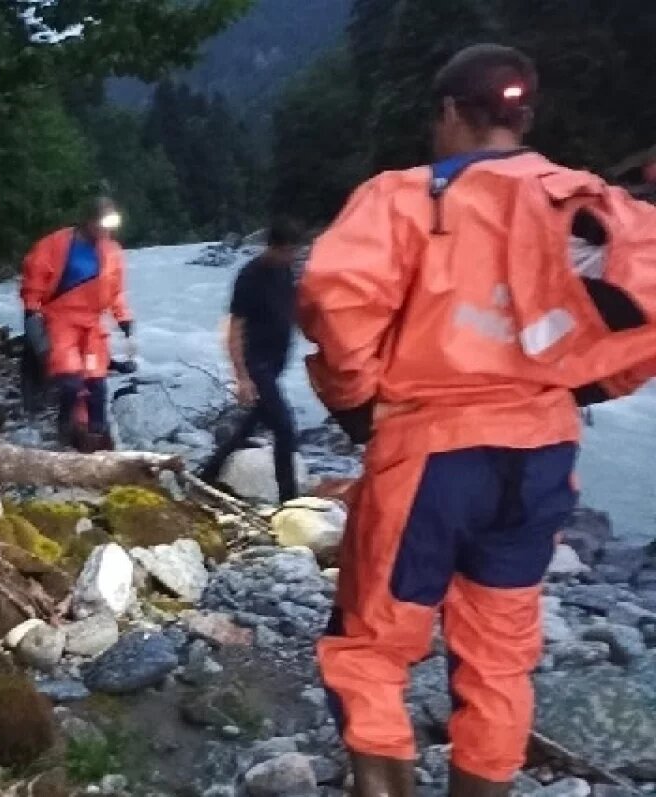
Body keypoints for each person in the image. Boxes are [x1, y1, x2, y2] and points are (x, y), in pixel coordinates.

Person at [298, 45, 656, 797]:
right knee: (499, 651)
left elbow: (336, 300)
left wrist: (359, 402)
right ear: (523, 117)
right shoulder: (587, 204)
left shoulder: (406, 196)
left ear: (451, 113)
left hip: (430, 449)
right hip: (543, 449)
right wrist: (581, 385)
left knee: (369, 645)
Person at [198, 218, 303, 503]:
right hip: (256, 363)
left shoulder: (286, 271)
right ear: (272, 247)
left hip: (277, 362)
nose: (291, 257)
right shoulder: (249, 277)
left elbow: (293, 309)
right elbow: (234, 328)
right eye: (287, 251)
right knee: (284, 427)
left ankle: (204, 477)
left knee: (248, 427)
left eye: (294, 251)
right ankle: (289, 498)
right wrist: (241, 377)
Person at [21, 196, 135, 452]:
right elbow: (34, 283)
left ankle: (98, 440)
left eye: (110, 226)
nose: (106, 231)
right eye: (102, 224)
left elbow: (116, 292)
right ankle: (64, 430)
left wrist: (124, 318)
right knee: (71, 380)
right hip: (61, 322)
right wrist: (31, 313)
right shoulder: (55, 245)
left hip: (92, 325)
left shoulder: (112, 252)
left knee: (97, 382)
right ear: (88, 220)